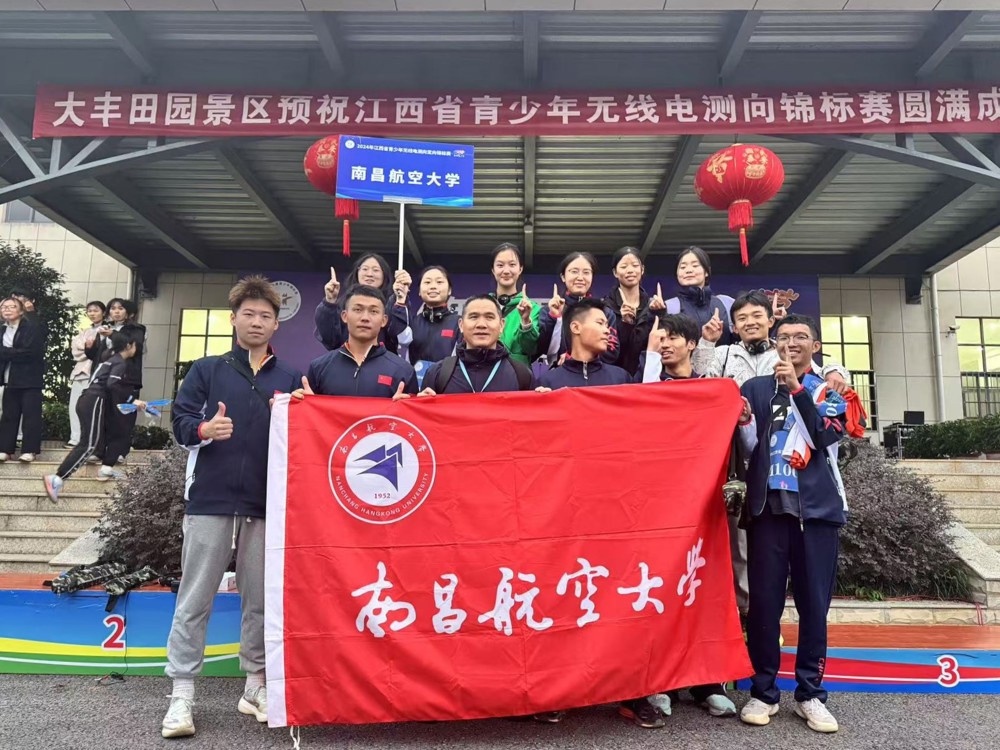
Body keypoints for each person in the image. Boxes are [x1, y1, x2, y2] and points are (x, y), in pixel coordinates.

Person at [161, 276, 302, 739]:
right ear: (233, 319)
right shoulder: (206, 369)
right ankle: (181, 694)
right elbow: (181, 421)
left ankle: (255, 685)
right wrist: (204, 430)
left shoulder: (290, 379)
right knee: (195, 597)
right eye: (249, 314)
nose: (257, 322)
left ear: (276, 325)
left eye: (266, 316)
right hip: (211, 498)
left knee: (260, 599)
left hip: (266, 503)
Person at [692, 291, 851, 627]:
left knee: (807, 592)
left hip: (802, 489)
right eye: (742, 318)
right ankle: (749, 625)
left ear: (770, 321)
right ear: (734, 326)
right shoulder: (730, 361)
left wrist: (834, 369)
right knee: (745, 562)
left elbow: (819, 383)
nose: (750, 322)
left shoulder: (805, 371)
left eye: (756, 316)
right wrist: (706, 345)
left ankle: (786, 640)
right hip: (746, 473)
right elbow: (701, 384)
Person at [738, 314, 848, 734]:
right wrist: (743, 421)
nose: (791, 342)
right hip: (768, 509)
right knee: (764, 605)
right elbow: (747, 447)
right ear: (774, 344)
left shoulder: (829, 391)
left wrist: (797, 389)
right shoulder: (755, 388)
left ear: (815, 347)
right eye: (783, 336)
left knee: (814, 605)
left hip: (816, 513)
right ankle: (763, 691)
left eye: (801, 336)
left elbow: (823, 436)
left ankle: (810, 694)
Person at [638, 312, 739, 720]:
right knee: (662, 590)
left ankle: (707, 683)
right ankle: (659, 682)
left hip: (704, 506)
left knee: (703, 590)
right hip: (659, 506)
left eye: (672, 338)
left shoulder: (711, 390)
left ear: (692, 344)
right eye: (660, 339)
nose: (664, 344)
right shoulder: (649, 386)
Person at [43, 331, 145, 501]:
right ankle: (57, 478)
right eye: (135, 345)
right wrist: (132, 400)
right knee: (89, 445)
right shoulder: (119, 362)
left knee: (88, 443)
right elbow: (112, 385)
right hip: (95, 400)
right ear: (129, 345)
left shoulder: (109, 358)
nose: (136, 349)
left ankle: (59, 477)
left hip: (86, 399)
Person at [304, 286, 417, 398]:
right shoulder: (319, 367)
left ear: (383, 320)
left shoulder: (403, 371)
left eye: (373, 311)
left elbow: (413, 409)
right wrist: (304, 402)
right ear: (344, 316)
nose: (365, 318)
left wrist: (403, 406)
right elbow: (308, 408)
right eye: (358, 310)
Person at [420, 295, 534, 395]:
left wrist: (542, 401)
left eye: (489, 317)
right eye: (473, 317)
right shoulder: (438, 373)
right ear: (461, 325)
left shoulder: (522, 375)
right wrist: (420, 404)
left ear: (501, 325)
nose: (481, 325)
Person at [639, 246, 734, 348]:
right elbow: (651, 345)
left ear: (706, 271)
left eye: (695, 265)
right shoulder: (669, 307)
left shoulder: (726, 304)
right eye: (683, 267)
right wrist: (655, 315)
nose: (688, 270)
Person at [314, 255, 408, 354]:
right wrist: (329, 301)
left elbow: (400, 336)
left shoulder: (394, 302)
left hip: (383, 361)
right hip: (346, 359)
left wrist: (400, 300)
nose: (369, 274)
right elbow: (329, 338)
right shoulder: (344, 303)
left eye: (376, 270)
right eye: (365, 269)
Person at [538, 252, 620, 366]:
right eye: (574, 271)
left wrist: (576, 357)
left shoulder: (604, 312)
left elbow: (612, 352)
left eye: (586, 272)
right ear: (563, 276)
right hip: (560, 373)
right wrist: (554, 318)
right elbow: (540, 348)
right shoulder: (549, 311)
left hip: (597, 374)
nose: (580, 277)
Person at [391, 266, 460, 387]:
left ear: (449, 290)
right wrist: (401, 298)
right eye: (427, 282)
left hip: (447, 388)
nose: (433, 286)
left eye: (439, 282)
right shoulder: (412, 322)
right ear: (419, 291)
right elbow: (400, 339)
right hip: (416, 389)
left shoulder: (459, 323)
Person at [538, 299, 629, 390]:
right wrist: (545, 397)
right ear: (576, 328)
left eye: (607, 325)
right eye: (600, 323)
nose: (607, 331)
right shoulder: (548, 383)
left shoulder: (621, 379)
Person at [98, 298, 146, 467]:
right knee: (105, 416)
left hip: (127, 379)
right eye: (113, 308)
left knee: (123, 417)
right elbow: (98, 355)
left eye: (120, 308)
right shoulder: (105, 329)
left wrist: (112, 335)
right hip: (107, 378)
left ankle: (120, 452)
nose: (116, 312)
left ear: (129, 313)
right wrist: (90, 347)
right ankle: (101, 450)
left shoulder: (137, 329)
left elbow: (135, 347)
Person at [0, 296, 44, 463]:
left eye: (12, 306)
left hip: (29, 378)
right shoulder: (2, 330)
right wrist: (11, 352)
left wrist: (6, 352)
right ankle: (5, 449)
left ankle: (29, 450)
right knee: (9, 415)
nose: (7, 309)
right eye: (4, 307)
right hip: (9, 378)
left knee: (31, 415)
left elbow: (29, 352)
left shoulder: (31, 328)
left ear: (20, 311)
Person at [488, 242, 540, 366]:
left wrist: (526, 321)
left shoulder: (532, 308)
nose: (506, 271)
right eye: (500, 265)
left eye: (512, 265)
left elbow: (530, 349)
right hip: (485, 372)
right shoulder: (483, 305)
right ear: (493, 270)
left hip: (517, 374)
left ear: (520, 269)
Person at [602, 246, 650, 376]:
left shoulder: (653, 306)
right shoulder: (605, 308)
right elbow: (607, 352)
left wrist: (659, 314)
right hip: (614, 377)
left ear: (642, 269)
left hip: (646, 376)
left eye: (635, 265)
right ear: (615, 272)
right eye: (623, 266)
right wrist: (624, 324)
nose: (630, 270)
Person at [67, 301, 107, 448]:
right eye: (89, 311)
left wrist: (87, 348)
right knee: (74, 406)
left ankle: (88, 440)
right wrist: (87, 348)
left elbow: (100, 351)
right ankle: (75, 438)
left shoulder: (106, 330)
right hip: (80, 372)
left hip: (95, 373)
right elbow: (75, 350)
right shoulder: (84, 331)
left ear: (103, 312)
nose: (92, 313)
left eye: (96, 310)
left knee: (89, 408)